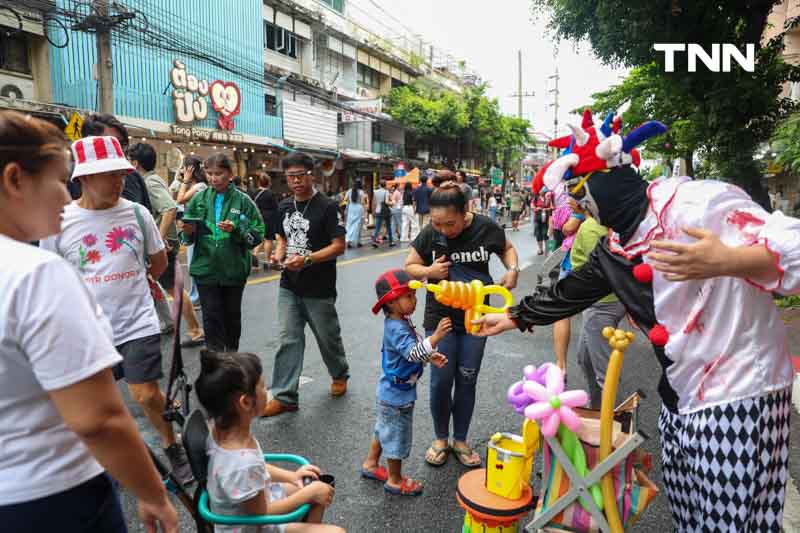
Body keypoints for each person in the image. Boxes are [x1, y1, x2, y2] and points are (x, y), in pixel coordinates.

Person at [472, 117, 798, 532]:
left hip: (739, 391)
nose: (573, 206)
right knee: (690, 519)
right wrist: (513, 317)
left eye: (579, 193)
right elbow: (573, 289)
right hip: (680, 395)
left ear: (609, 179)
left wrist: (728, 261)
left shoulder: (697, 204)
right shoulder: (616, 241)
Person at [0, 111, 177, 533]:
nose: (66, 195)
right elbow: (99, 419)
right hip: (54, 494)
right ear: (14, 179)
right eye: (60, 180)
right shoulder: (35, 272)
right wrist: (152, 492)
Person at [40, 135, 194, 485]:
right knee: (98, 406)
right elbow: (53, 273)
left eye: (121, 173)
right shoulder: (60, 220)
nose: (118, 181)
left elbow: (157, 263)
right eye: (108, 174)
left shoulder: (137, 213)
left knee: (145, 394)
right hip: (89, 331)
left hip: (138, 321)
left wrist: (134, 286)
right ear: (83, 179)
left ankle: (172, 446)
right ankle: (110, 460)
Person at [405, 182, 520, 468]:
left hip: (477, 315)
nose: (443, 229)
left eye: (450, 224)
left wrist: (512, 270)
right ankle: (441, 438)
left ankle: (461, 439)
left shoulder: (485, 227)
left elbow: (507, 249)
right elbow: (410, 265)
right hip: (439, 316)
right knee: (441, 380)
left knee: (468, 376)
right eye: (437, 223)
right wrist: (429, 271)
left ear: (466, 210)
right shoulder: (431, 233)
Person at [196, 350, 344, 533]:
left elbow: (257, 469)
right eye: (263, 387)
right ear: (245, 403)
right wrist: (308, 494)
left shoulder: (221, 432)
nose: (267, 391)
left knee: (314, 489)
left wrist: (291, 476)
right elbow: (262, 514)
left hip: (254, 505)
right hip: (251, 526)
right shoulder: (241, 463)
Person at [263, 151, 350, 417]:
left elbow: (339, 245)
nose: (297, 181)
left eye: (301, 175)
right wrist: (278, 256)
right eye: (291, 177)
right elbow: (281, 238)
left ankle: (339, 372)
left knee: (327, 337)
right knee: (288, 339)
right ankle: (285, 396)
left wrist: (308, 259)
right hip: (289, 283)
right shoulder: (285, 206)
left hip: (319, 285)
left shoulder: (327, 206)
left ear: (311, 175)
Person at [361, 270, 450, 496]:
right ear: (391, 302)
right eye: (408, 296)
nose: (415, 300)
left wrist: (430, 356)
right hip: (397, 396)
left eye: (413, 295)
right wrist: (436, 337)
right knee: (396, 435)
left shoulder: (400, 321)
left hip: (392, 390)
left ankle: (371, 464)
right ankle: (395, 479)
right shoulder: (397, 328)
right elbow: (411, 353)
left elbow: (413, 352)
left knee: (384, 429)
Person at [181, 153, 265, 352]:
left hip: (233, 270)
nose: (213, 178)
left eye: (218, 173)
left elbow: (258, 234)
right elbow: (186, 235)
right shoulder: (198, 199)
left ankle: (232, 358)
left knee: (231, 317)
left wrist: (236, 229)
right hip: (205, 269)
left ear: (230, 174)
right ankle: (215, 363)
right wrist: (187, 232)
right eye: (209, 173)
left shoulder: (243, 201)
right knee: (210, 317)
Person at [128, 142, 205, 347]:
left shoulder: (150, 183)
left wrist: (159, 239)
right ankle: (168, 322)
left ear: (135, 163)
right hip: (161, 243)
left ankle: (196, 330)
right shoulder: (150, 180)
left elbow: (170, 208)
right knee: (158, 285)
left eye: (129, 160)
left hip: (164, 245)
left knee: (174, 288)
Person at [569, 209, 626, 408]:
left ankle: (611, 423)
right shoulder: (601, 224)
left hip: (601, 304)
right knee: (585, 359)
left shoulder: (591, 227)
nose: (568, 198)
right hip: (599, 302)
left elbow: (602, 272)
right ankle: (597, 408)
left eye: (574, 192)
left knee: (604, 372)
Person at [68, 113, 153, 213]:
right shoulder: (66, 178)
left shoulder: (133, 176)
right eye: (109, 142)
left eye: (123, 144)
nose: (117, 148)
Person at [176, 155, 208, 307]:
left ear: (190, 170)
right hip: (192, 229)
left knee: (194, 263)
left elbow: (180, 199)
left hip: (198, 230)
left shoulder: (199, 186)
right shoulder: (195, 186)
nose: (181, 170)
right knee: (192, 263)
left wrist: (185, 180)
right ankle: (197, 296)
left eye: (183, 167)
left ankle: (197, 297)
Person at [252, 173, 280, 268]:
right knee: (268, 239)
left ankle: (254, 255)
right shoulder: (270, 194)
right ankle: (268, 260)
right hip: (268, 218)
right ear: (269, 183)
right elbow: (276, 207)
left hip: (257, 217)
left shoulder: (254, 193)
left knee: (260, 237)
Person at [371, 179, 394, 248]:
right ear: (385, 185)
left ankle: (374, 240)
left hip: (378, 210)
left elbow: (374, 202)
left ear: (379, 185)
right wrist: (392, 203)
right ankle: (391, 241)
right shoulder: (386, 192)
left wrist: (373, 211)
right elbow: (387, 202)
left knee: (377, 227)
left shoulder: (375, 192)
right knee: (388, 226)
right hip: (385, 211)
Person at [344, 180, 368, 248]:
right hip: (359, 208)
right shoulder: (361, 192)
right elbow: (363, 202)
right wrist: (365, 211)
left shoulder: (349, 191)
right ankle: (357, 242)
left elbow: (345, 199)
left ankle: (348, 240)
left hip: (351, 208)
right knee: (357, 226)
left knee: (349, 225)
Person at [532, 188, 553, 255]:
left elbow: (553, 207)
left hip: (547, 218)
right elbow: (532, 206)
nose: (542, 191)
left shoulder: (548, 198)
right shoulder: (535, 198)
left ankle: (547, 249)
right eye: (540, 190)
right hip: (538, 218)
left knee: (546, 233)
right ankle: (540, 249)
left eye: (543, 190)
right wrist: (536, 208)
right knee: (538, 234)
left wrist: (545, 209)